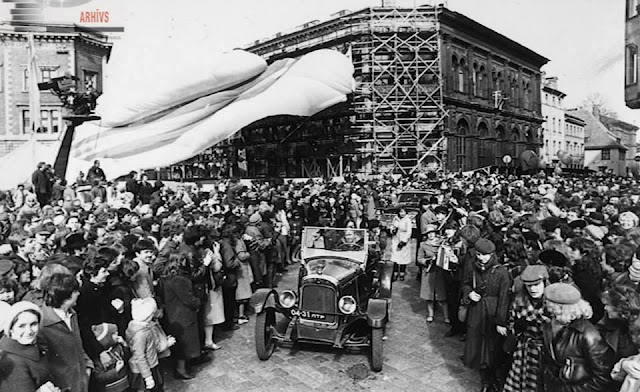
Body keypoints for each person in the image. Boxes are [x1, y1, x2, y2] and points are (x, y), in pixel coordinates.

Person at [541, 282, 615, 392]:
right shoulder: (549, 323)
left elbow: (603, 377)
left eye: (549, 305)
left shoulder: (588, 335)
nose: (545, 306)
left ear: (561, 308)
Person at [461, 238, 511, 392]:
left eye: (485, 255)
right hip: (476, 311)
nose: (481, 257)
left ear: (492, 254)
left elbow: (504, 298)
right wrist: (469, 294)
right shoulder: (472, 266)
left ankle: (492, 378)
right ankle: (484, 378)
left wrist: (501, 321)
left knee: (493, 347)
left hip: (493, 313)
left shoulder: (501, 271)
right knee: (477, 343)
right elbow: (465, 283)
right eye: (479, 254)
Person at [38, 273, 93, 392]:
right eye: (75, 291)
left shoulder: (72, 314)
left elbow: (78, 345)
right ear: (66, 296)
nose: (78, 293)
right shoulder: (42, 324)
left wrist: (88, 366)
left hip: (81, 381)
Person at [502, 265, 549, 392]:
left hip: (545, 353)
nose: (533, 289)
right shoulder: (519, 301)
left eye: (537, 284)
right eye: (529, 285)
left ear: (545, 282)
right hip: (523, 351)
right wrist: (516, 328)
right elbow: (510, 324)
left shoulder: (552, 304)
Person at [0, 301, 60, 392]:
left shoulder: (37, 344)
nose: (29, 331)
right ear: (11, 329)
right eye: (21, 326)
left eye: (33, 324)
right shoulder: (12, 361)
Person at [161, 253, 201, 380]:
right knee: (184, 344)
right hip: (183, 314)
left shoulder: (168, 277)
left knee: (181, 343)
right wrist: (198, 302)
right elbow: (187, 298)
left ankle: (183, 367)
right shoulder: (178, 279)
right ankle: (181, 370)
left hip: (174, 313)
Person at [416, 224, 447, 323]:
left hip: (439, 271)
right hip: (428, 272)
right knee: (428, 296)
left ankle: (446, 317)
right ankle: (430, 315)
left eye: (432, 233)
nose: (431, 235)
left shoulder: (442, 242)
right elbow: (419, 258)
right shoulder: (423, 245)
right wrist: (426, 261)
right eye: (428, 233)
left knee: (442, 296)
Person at [89, 323, 130, 392]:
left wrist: (124, 344)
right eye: (114, 333)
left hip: (125, 384)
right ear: (107, 339)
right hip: (112, 388)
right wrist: (116, 370)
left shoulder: (117, 346)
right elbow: (99, 376)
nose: (117, 334)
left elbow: (126, 356)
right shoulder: (99, 359)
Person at [390, 208, 412, 281]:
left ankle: (402, 273)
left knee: (403, 257)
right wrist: (392, 230)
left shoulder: (407, 220)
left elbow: (409, 231)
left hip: (403, 239)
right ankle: (395, 272)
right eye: (400, 212)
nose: (402, 213)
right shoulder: (395, 218)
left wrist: (404, 241)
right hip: (396, 238)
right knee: (395, 256)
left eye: (403, 212)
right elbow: (392, 226)